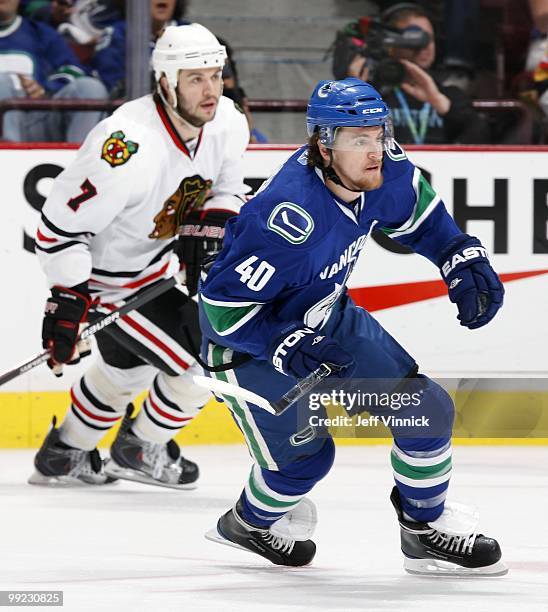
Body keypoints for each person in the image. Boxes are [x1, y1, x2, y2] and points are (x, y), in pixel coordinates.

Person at [198, 77, 507, 576]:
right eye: (357, 139)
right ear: (323, 145)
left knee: (425, 411)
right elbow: (221, 309)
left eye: (378, 134)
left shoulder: (381, 168)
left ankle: (423, 531)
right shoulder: (286, 218)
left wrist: (456, 255)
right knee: (305, 463)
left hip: (325, 313)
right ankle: (248, 523)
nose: (374, 150)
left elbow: (421, 219)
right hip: (248, 348)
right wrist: (285, 345)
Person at [29, 23, 250, 488]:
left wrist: (212, 222)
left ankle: (67, 453)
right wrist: (69, 297)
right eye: (195, 79)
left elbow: (228, 188)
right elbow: (57, 229)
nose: (210, 90)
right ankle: (140, 447)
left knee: (123, 371)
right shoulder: (126, 145)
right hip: (105, 287)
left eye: (215, 75)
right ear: (166, 82)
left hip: (154, 272)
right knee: (208, 365)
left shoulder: (227, 120)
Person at [334, 3, 490, 144]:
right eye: (416, 38)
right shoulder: (371, 94)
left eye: (430, 38)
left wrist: (440, 103)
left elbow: (482, 139)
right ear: (391, 43)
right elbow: (339, 143)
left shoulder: (450, 95)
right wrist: (353, 98)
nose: (425, 46)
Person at [0, 0, 108, 142]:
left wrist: (45, 89)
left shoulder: (40, 34)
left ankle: (79, 159)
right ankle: (7, 157)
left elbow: (73, 71)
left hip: (33, 121)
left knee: (90, 88)